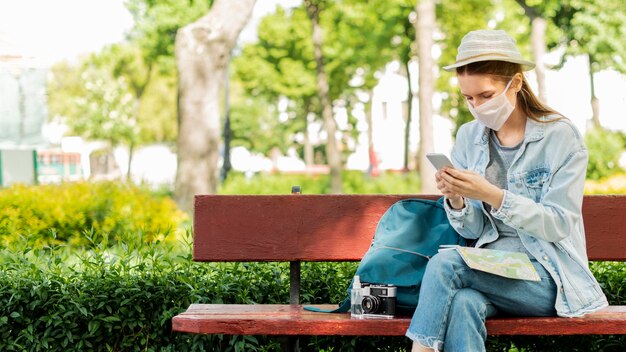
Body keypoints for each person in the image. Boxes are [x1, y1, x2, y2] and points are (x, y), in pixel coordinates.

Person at [406, 29, 608, 352]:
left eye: (485, 96)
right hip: (490, 269)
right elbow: (473, 228)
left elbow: (559, 223)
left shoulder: (560, 137)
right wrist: (457, 199)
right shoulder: (468, 137)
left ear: (515, 84)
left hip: (546, 277)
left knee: (446, 265)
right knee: (464, 304)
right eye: (468, 98)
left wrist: (493, 195)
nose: (476, 107)